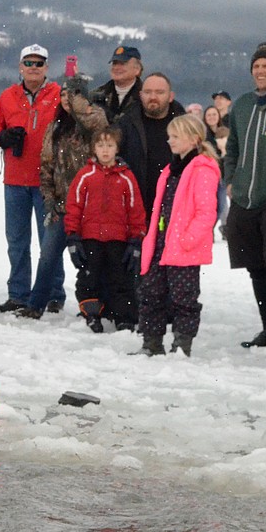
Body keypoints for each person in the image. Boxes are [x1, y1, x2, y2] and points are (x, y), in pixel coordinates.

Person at [18, 75, 108, 320]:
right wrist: (48, 196)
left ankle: (92, 307)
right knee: (47, 257)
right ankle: (36, 305)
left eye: (74, 95)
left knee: (90, 261)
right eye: (65, 95)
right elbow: (46, 164)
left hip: (90, 207)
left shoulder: (94, 121)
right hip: (62, 205)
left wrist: (80, 104)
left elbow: (97, 124)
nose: (68, 100)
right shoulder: (56, 126)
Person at [133, 114, 220, 356]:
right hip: (161, 242)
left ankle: (182, 345)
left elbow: (206, 212)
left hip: (183, 247)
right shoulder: (171, 170)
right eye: (169, 136)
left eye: (175, 137)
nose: (169, 141)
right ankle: (151, 342)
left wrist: (187, 239)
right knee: (150, 292)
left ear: (193, 139)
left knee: (184, 297)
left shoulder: (202, 169)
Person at [0, 44, 62, 312]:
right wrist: (2, 138)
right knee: (17, 241)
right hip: (15, 181)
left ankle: (53, 294)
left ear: (47, 68)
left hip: (48, 182)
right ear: (20, 67)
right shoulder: (8, 96)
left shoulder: (59, 96)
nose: (33, 68)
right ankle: (18, 293)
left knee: (49, 241)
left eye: (38, 64)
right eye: (28, 63)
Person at [63, 127, 146, 332]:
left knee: (121, 279)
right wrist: (73, 237)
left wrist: (136, 239)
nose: (105, 150)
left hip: (118, 239)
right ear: (94, 149)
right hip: (90, 237)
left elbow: (136, 210)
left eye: (110, 145)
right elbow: (74, 206)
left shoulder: (127, 177)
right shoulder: (85, 175)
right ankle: (92, 313)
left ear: (117, 148)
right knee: (89, 278)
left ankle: (124, 317)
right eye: (100, 146)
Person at [223, 42, 266, 348]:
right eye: (256, 66)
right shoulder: (242, 105)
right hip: (245, 197)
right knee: (256, 266)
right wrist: (231, 180)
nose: (260, 71)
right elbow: (232, 149)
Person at [115, 72, 185, 211]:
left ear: (171, 96)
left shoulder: (185, 127)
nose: (153, 97)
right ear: (141, 95)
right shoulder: (125, 125)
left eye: (159, 92)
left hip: (176, 208)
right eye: (148, 92)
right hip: (134, 210)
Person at [90, 45, 143, 127]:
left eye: (122, 63)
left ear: (137, 69)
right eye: (114, 63)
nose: (116, 68)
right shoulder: (96, 95)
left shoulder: (146, 97)